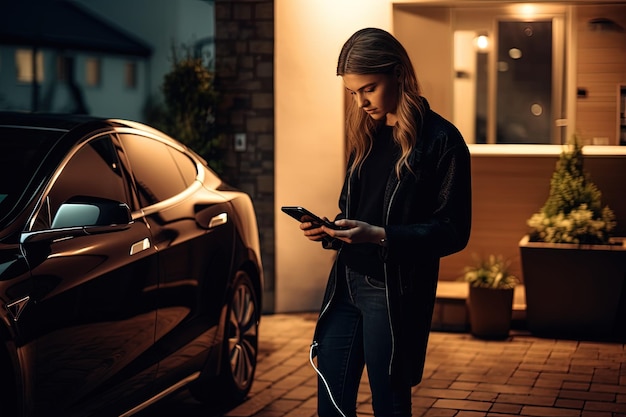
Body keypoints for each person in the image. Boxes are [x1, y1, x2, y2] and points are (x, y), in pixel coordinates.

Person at [299, 28, 472, 417]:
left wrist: (379, 236)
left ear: (398, 74)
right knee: (331, 401)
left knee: (389, 404)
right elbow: (352, 210)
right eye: (352, 93)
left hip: (391, 292)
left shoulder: (442, 141)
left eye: (369, 89)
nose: (360, 102)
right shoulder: (367, 135)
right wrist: (330, 230)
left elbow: (453, 229)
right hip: (345, 284)